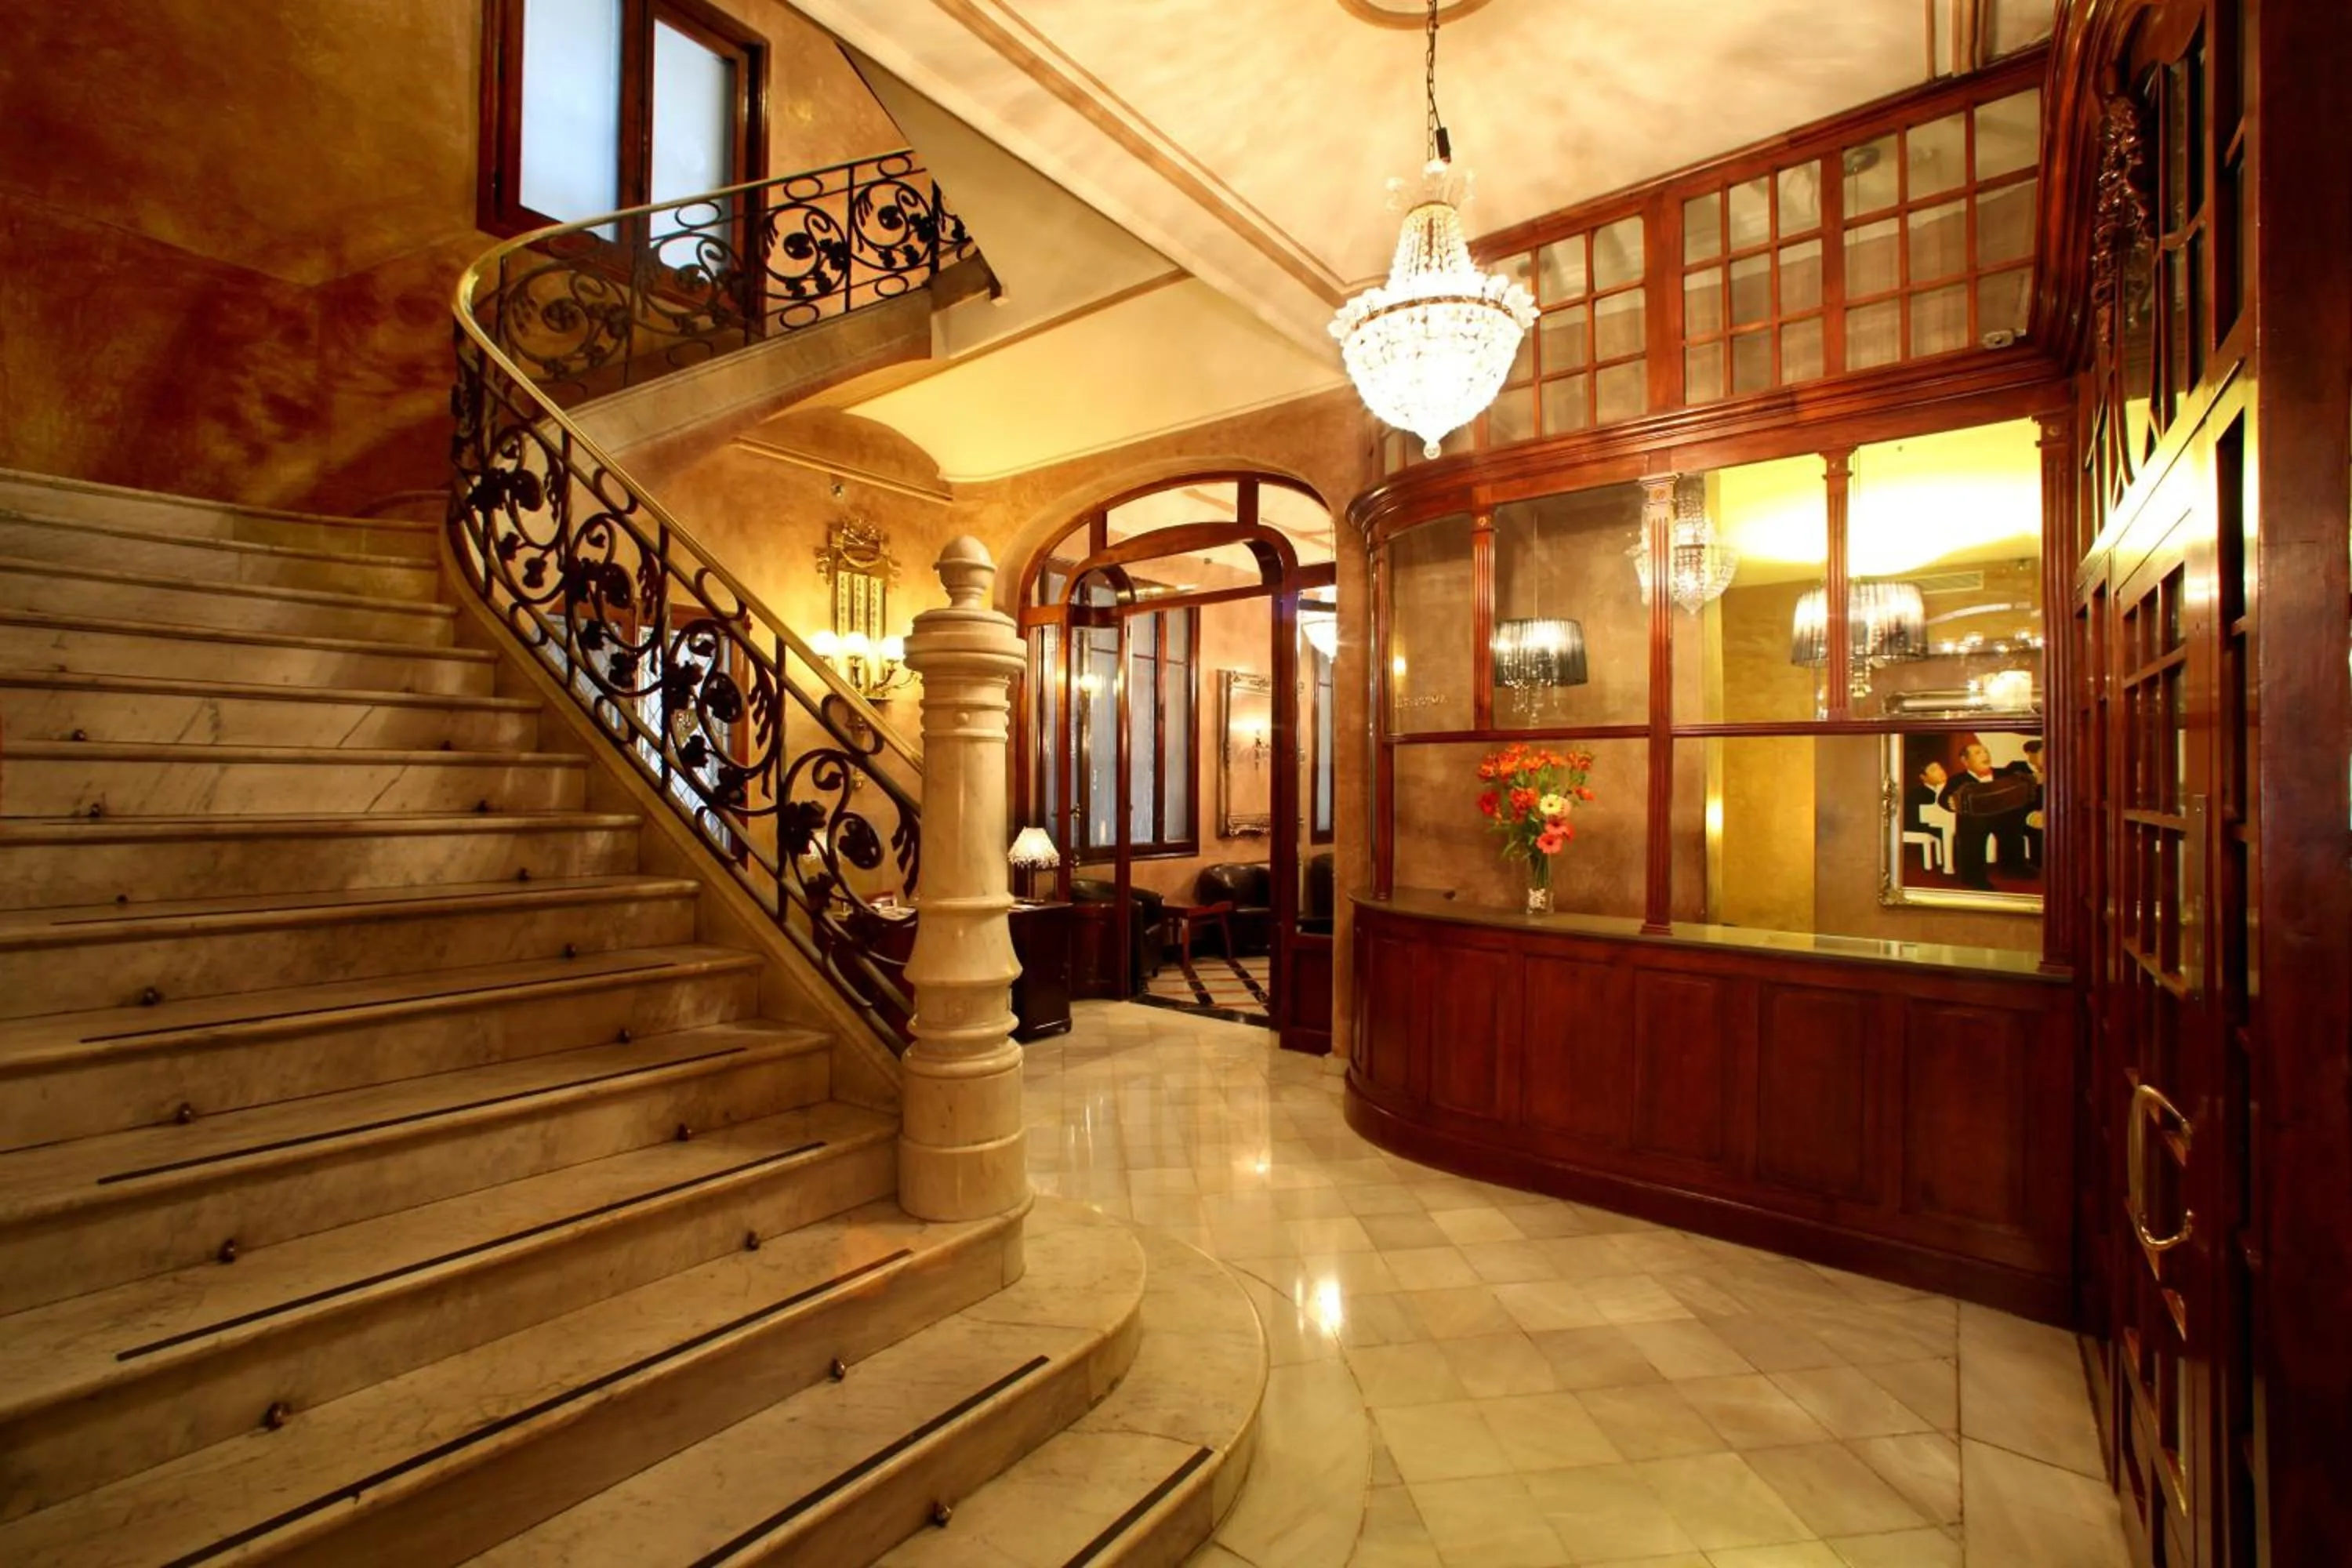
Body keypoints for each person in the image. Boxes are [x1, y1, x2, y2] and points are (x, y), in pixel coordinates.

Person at [1939, 742, 2037, 891]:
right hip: (1975, 821)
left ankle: (2014, 867)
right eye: (1978, 753)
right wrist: (1949, 801)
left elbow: (2019, 784)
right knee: (1971, 839)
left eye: (1986, 751)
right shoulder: (1957, 779)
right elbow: (1943, 798)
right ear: (1965, 761)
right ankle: (1973, 877)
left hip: (2002, 817)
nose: (1985, 755)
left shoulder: (2003, 774)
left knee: (2013, 832)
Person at [2002, 739, 2046, 868]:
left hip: (2045, 811)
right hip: (2019, 812)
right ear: (2029, 753)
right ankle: (2038, 864)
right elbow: (2008, 789)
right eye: (2042, 753)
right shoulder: (2016, 767)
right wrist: (2033, 780)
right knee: (2037, 827)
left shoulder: (2056, 769)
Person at [1904, 758, 1949, 868]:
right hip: (1920, 825)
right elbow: (1914, 817)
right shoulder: (1917, 793)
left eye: (1941, 768)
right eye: (1934, 770)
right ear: (1924, 777)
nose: (1941, 772)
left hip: (1938, 823)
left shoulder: (1948, 790)